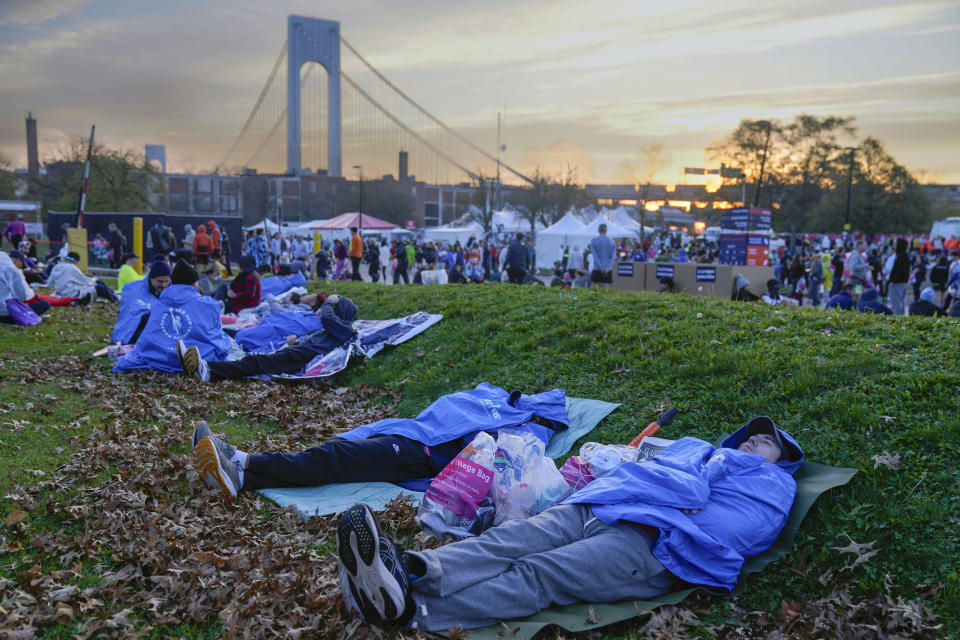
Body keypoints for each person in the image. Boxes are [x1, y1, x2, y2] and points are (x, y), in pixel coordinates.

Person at [335, 416, 803, 631]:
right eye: (752, 435)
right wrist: (695, 473)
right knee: (509, 539)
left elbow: (733, 531)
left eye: (767, 443)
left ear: (782, 462)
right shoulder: (695, 446)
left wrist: (707, 474)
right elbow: (637, 471)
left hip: (656, 545)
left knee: (539, 574)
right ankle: (412, 570)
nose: (756, 441)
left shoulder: (773, 489)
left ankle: (414, 613)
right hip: (601, 505)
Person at [189, 383, 567, 498]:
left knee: (338, 457)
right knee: (340, 459)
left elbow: (506, 463)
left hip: (423, 453)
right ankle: (244, 478)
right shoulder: (496, 396)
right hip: (413, 433)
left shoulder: (528, 431)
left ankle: (244, 461)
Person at [178, 293, 356, 382]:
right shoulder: (334, 329)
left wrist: (329, 302)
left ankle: (208, 371)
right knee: (255, 362)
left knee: (256, 363)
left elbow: (326, 317)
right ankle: (208, 369)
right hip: (297, 352)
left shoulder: (344, 328)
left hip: (298, 357)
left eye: (333, 305)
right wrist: (296, 341)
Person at [114, 260, 233, 374]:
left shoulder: (158, 304)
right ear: (194, 283)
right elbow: (215, 336)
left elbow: (149, 337)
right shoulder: (208, 304)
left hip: (159, 356)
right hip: (199, 355)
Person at [111, 259, 172, 345]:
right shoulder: (134, 289)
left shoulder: (171, 291)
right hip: (135, 334)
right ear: (151, 278)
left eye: (167, 282)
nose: (164, 285)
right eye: (160, 281)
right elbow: (129, 317)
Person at [47, 252, 117, 304]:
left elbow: (49, 283)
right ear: (76, 262)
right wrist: (93, 279)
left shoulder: (56, 267)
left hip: (61, 294)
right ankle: (115, 298)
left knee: (98, 284)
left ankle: (113, 294)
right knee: (99, 286)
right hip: (73, 294)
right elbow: (85, 281)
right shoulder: (72, 268)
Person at [0, 251, 50, 323]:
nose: (21, 267)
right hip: (4, 313)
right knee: (45, 304)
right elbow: (22, 295)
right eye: (22, 264)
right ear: (17, 260)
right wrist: (32, 293)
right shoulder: (12, 270)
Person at [884, 238, 910, 315]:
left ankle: (897, 318)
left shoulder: (901, 256)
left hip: (897, 283)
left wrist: (893, 280)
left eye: (896, 244)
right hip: (901, 282)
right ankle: (900, 317)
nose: (894, 246)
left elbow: (898, 271)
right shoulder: (903, 255)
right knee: (901, 301)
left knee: (896, 302)